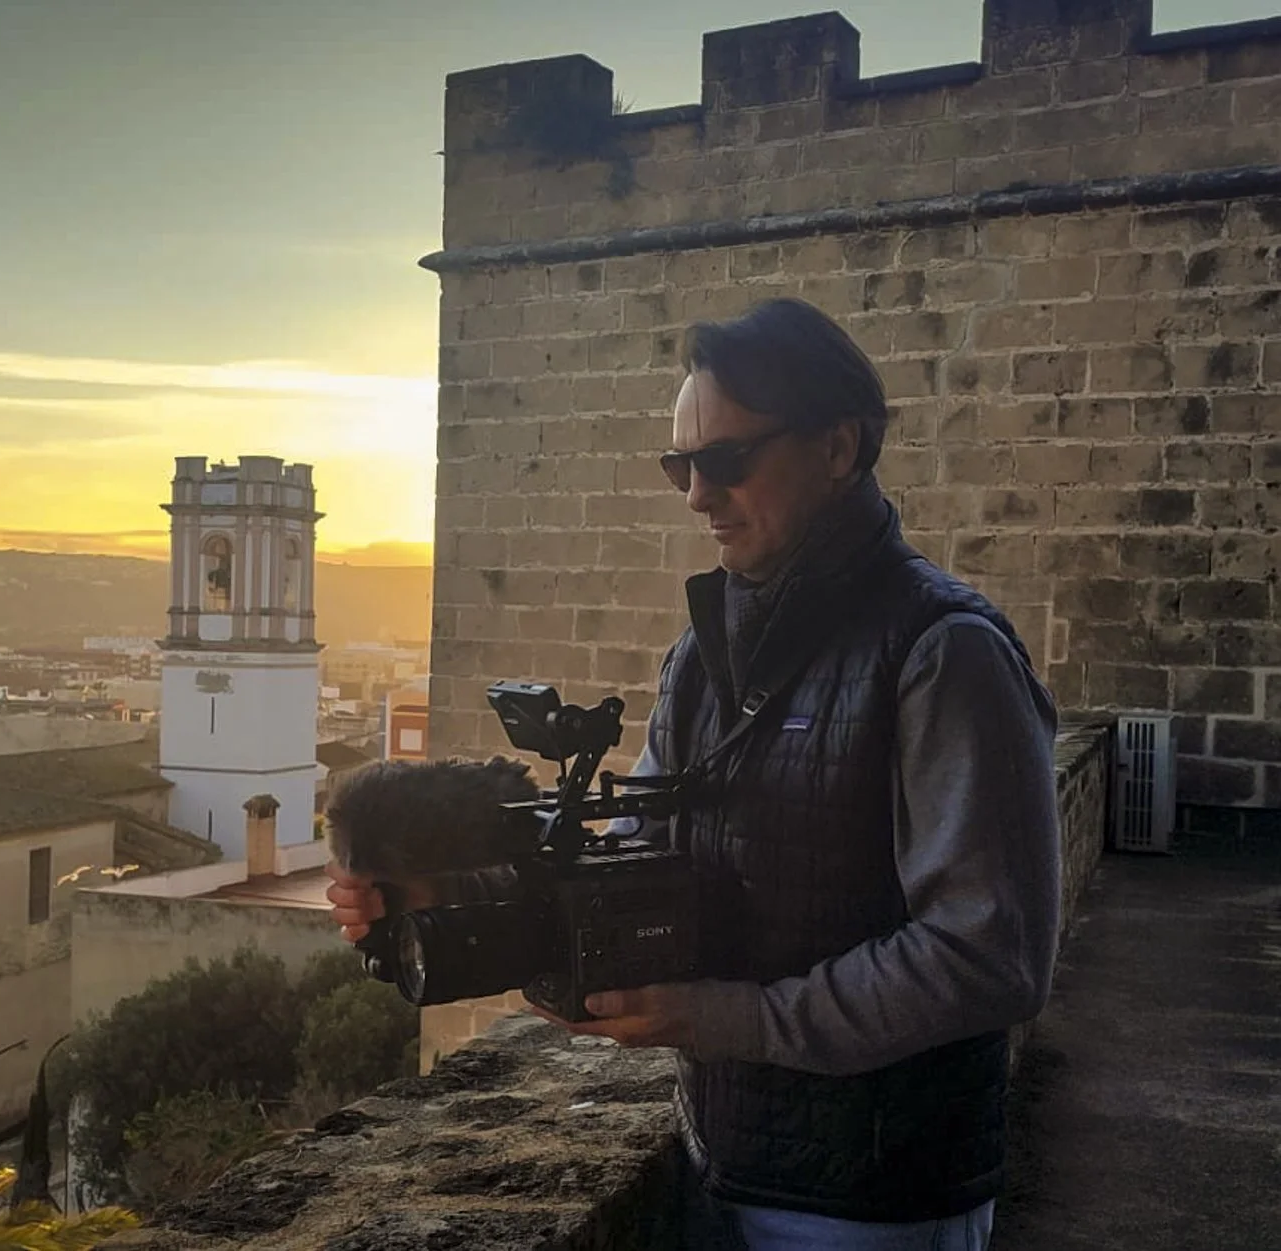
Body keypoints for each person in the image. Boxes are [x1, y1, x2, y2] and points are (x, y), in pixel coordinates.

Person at [327, 297, 1061, 1250]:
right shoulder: (704, 654)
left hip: (878, 1201)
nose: (696, 495)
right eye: (680, 464)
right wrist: (434, 904)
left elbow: (988, 957)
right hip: (720, 1162)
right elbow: (639, 861)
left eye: (725, 461)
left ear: (838, 450)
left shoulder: (943, 653)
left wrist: (733, 1018)